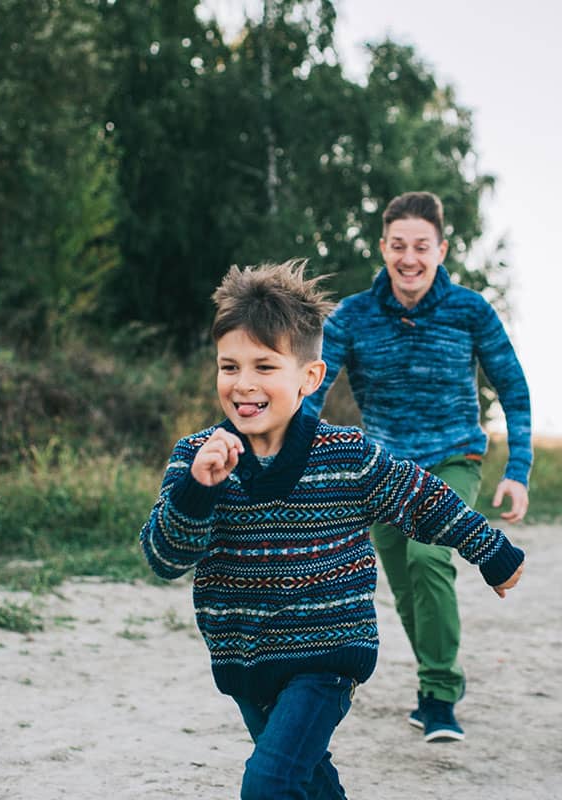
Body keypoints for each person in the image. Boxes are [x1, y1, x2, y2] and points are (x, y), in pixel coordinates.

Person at [138, 260, 525, 799]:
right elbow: (164, 557)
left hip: (328, 653)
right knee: (308, 781)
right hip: (243, 656)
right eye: (230, 367)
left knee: (269, 784)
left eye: (265, 367)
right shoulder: (196, 458)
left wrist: (492, 551)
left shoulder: (345, 457)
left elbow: (423, 497)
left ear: (309, 377)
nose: (244, 384)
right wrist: (197, 489)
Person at [306, 191, 532, 742]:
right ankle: (436, 679)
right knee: (406, 587)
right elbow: (312, 387)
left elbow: (513, 386)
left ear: (441, 250)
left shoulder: (470, 310)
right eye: (399, 246)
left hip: (453, 456)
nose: (410, 258)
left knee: (429, 557)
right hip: (381, 469)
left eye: (421, 247)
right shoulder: (354, 316)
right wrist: (293, 453)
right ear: (383, 248)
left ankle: (438, 693)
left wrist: (517, 468)